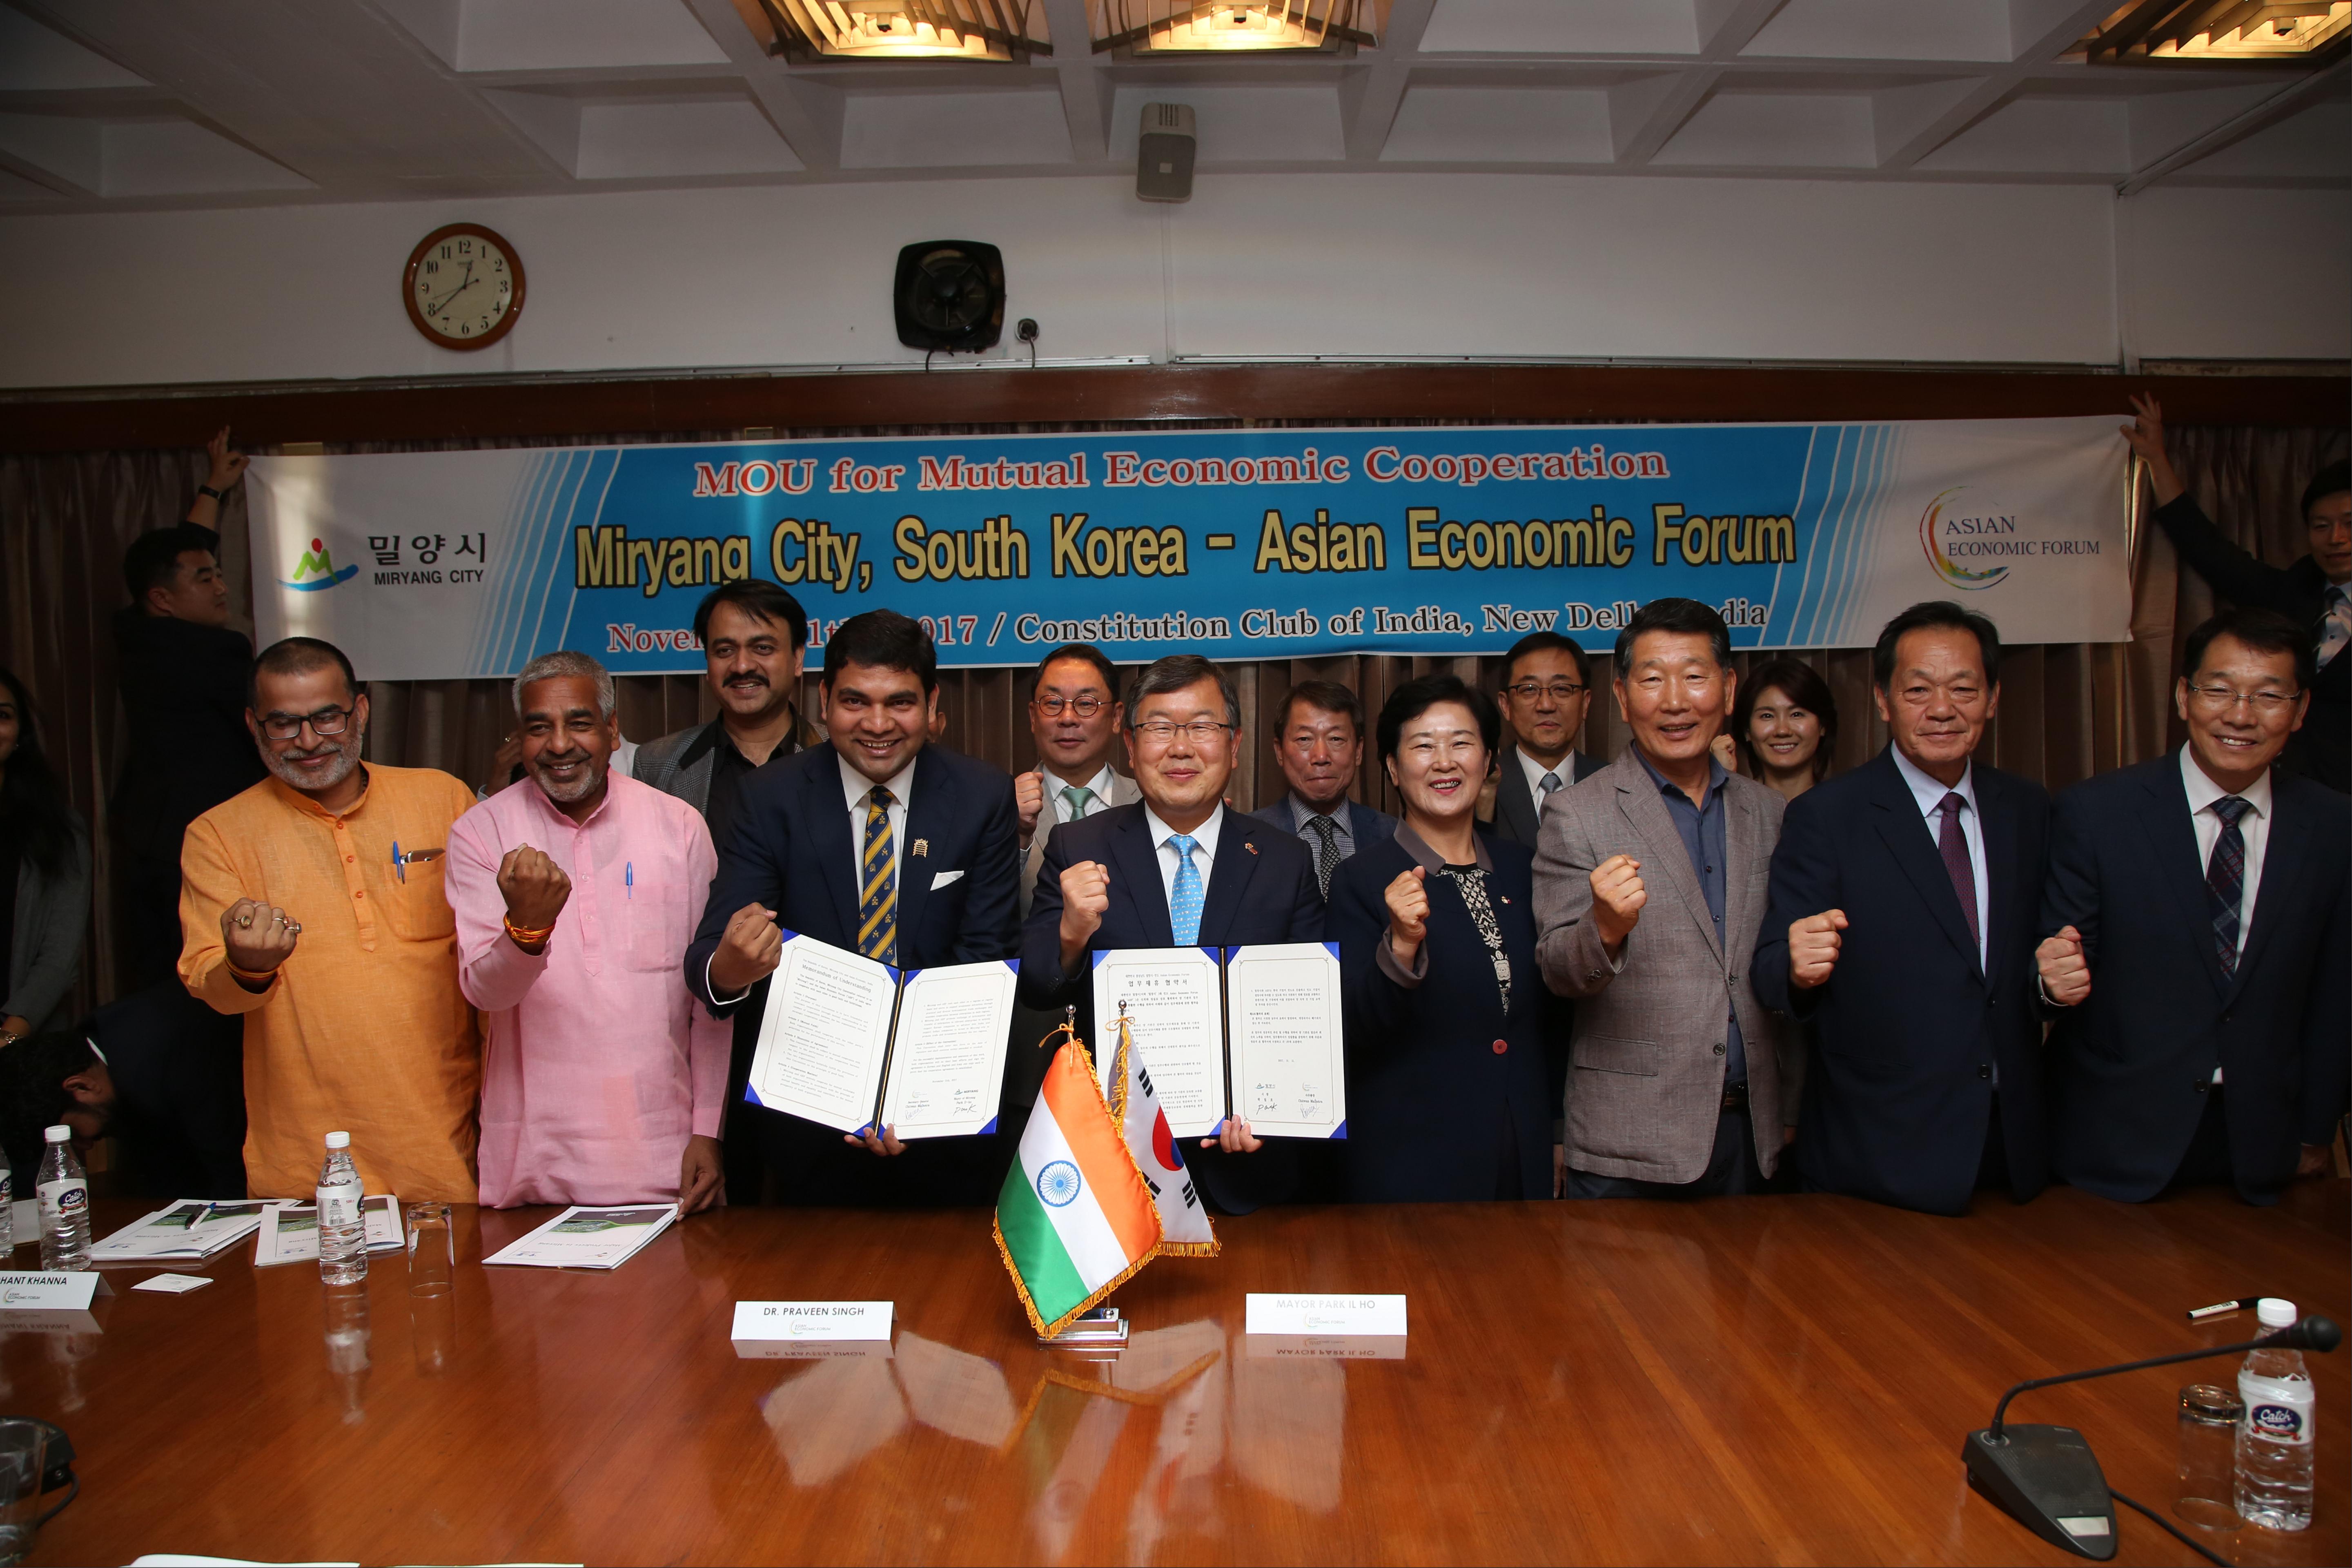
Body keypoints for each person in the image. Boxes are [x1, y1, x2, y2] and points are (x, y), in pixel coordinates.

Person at [686, 610, 1020, 1205]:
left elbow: (984, 960)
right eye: (855, 701)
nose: (878, 724)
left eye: (900, 703)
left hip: (942, 1131)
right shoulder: (769, 798)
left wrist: (912, 1100)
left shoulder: (981, 796)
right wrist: (733, 967)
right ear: (823, 701)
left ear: (932, 703)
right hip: (805, 1135)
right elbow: (707, 961)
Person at [2038, 609, 2348, 1205]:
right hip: (2112, 1143)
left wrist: (2316, 1129)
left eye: (2269, 696)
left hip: (2262, 1146)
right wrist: (2050, 983)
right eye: (2220, 690)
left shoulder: (2335, 826)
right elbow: (2055, 965)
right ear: (2184, 696)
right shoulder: (2097, 814)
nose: (2241, 716)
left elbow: (2338, 995)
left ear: (2300, 710)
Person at [1753, 601, 2051, 1217]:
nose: (1942, 709)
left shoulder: (2029, 810)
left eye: (1963, 689)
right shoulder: (1828, 816)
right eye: (1919, 690)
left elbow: (2036, 964)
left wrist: (2054, 983)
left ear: (1993, 699)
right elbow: (1770, 968)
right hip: (1878, 1157)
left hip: (2012, 1152)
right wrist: (1798, 968)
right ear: (1883, 701)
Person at [178, 637, 482, 1203]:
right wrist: (247, 967)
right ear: (253, 725)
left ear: (361, 710)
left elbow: (489, 963)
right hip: (305, 1160)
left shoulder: (443, 798)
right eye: (283, 724)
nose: (309, 741)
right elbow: (211, 988)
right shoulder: (217, 834)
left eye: (327, 717)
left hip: (443, 1144)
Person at [1021, 654, 1325, 1212]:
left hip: (1248, 1165)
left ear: (1234, 745)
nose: (1181, 748)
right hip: (1115, 1172)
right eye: (1160, 728)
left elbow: (1309, 1014)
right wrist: (1071, 932)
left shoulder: (1285, 859)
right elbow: (1038, 988)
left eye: (1202, 727)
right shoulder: (1077, 846)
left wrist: (1276, 1108)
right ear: (1131, 745)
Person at [448, 652, 728, 1212]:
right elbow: (485, 993)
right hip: (532, 1165)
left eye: (578, 723)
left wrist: (708, 1129)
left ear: (612, 730)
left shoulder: (679, 826)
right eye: (538, 728)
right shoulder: (480, 832)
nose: (559, 745)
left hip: (665, 1156)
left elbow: (708, 997)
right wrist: (527, 930)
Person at [1533, 599, 1794, 1198]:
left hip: (1749, 1133)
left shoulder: (1768, 812)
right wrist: (1604, 928)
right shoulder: (1577, 812)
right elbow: (1556, 969)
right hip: (1629, 1142)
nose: (1675, 701)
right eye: (1653, 680)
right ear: (1623, 698)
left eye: (1695, 676)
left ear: (1728, 690)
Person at [1328, 673, 1554, 1201]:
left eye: (1461, 743)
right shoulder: (1361, 879)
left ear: (1489, 759)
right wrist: (1401, 946)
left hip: (1520, 1152)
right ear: (1393, 767)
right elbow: (1351, 1030)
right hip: (1411, 1161)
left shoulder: (1524, 868)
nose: (1445, 762)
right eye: (1424, 746)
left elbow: (1551, 1022)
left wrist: (1557, 1132)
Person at [635, 579, 822, 1202]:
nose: (743, 665)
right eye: (724, 650)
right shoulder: (659, 768)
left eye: (762, 647)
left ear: (799, 659)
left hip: (817, 1035)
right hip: (698, 1027)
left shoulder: (843, 758)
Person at [2124, 396, 2349, 793]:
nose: (2336, 538)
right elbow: (2212, 552)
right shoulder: (2295, 591)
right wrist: (2156, 459)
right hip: (2285, 793)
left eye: (2349, 523)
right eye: (2321, 526)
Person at [113, 431, 270, 987]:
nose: (221, 587)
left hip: (146, 836)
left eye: (220, 573)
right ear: (163, 598)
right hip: (203, 838)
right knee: (211, 974)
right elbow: (265, 733)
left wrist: (213, 489)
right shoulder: (212, 652)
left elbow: (178, 555)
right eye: (206, 579)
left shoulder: (135, 632)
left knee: (163, 973)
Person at [1007, 644, 1140, 1132]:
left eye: (1086, 703)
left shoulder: (1158, 802)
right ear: (1032, 716)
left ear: (1116, 717)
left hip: (1134, 1054)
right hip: (1028, 1055)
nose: (1068, 718)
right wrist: (1014, 838)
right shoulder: (992, 806)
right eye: (1053, 703)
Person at [0, 668, 89, 1044]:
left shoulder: (59, 831)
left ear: (20, 733)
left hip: (24, 1045)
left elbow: (58, 959)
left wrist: (8, 1040)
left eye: (3, 715)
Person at [1249, 681, 1397, 898]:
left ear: (1358, 751)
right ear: (1280, 751)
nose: (1321, 757)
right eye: (1304, 739)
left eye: (1336, 739)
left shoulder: (1393, 835)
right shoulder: (1248, 838)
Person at [1488, 632, 1601, 848]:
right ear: (1506, 705)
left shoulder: (1615, 787)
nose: (1546, 705)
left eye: (1562, 689)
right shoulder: (1480, 787)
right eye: (1529, 690)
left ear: (1585, 704)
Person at [1729, 657, 1838, 802]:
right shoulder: (1729, 807)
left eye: (1797, 715)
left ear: (1823, 726)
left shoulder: (1846, 808)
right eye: (1767, 716)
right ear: (1747, 731)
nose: (1782, 731)